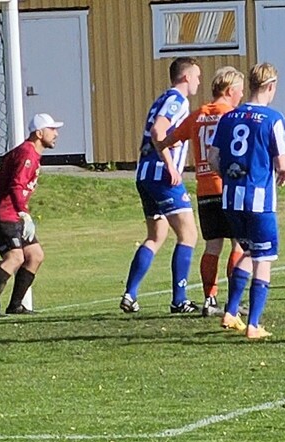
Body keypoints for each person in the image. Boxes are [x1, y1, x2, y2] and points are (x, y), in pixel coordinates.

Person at [208, 63, 285, 340]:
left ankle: (231, 312)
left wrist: (231, 177)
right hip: (259, 201)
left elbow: (213, 159)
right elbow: (283, 162)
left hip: (231, 199)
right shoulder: (273, 118)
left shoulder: (228, 117)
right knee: (263, 259)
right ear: (270, 86)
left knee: (246, 249)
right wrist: (283, 173)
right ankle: (253, 325)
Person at [120, 57, 202, 315]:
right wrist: (170, 165)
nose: (199, 81)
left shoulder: (160, 100)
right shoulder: (178, 100)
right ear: (186, 77)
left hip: (145, 175)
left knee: (156, 236)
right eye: (197, 76)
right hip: (162, 176)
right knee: (188, 234)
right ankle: (180, 300)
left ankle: (130, 294)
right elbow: (158, 131)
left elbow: (152, 135)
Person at [162, 66, 246, 317]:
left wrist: (168, 160)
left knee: (212, 246)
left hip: (205, 190)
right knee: (239, 244)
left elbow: (166, 140)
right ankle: (233, 301)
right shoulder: (232, 115)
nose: (242, 95)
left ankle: (210, 299)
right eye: (240, 91)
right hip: (228, 186)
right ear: (229, 91)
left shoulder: (197, 115)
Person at [0, 113, 62, 318]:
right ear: (39, 133)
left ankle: (15, 305)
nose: (56, 133)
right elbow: (16, 185)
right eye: (52, 129)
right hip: (2, 213)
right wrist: (23, 212)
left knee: (35, 255)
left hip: (13, 213)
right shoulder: (27, 154)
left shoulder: (31, 153)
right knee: (15, 257)